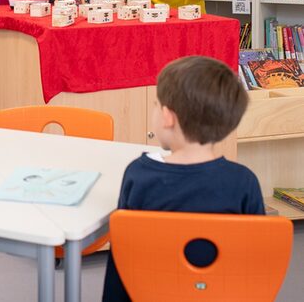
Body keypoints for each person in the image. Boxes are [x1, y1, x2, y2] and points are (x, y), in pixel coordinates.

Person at [102, 55, 265, 302]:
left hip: (152, 293)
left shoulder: (139, 175)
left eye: (156, 104)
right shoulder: (244, 182)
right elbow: (254, 260)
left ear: (168, 117)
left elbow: (123, 257)